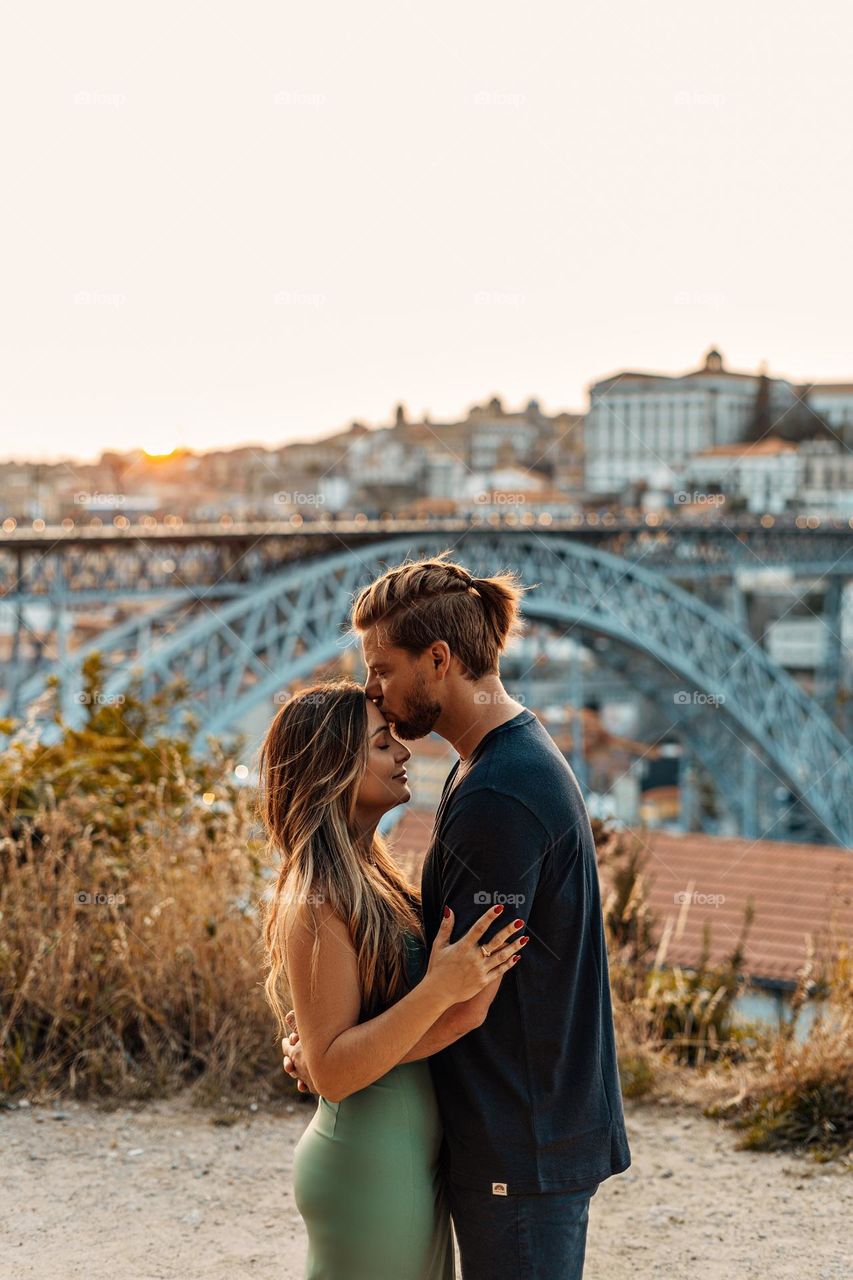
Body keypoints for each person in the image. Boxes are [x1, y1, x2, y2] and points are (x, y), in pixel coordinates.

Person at [285, 549, 632, 1279]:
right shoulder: (496, 764)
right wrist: (329, 1041)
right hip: (520, 1132)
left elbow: (462, 1006)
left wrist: (335, 1064)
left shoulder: (496, 796)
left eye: (381, 667)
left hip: (520, 1138)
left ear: (437, 659)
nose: (372, 690)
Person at [259, 679, 528, 1279]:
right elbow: (333, 1070)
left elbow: (346, 1044)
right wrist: (440, 988)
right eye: (382, 744)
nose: (403, 750)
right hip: (372, 1168)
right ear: (333, 771)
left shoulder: (370, 876)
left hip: (400, 1159)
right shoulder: (319, 900)